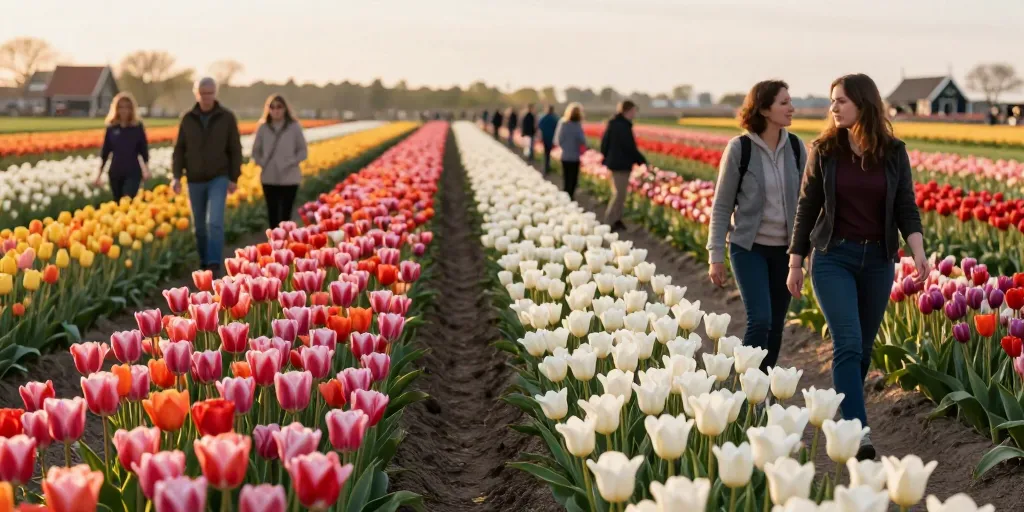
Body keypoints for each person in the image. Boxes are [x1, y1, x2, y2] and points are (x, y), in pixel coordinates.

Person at [787, 73, 928, 461]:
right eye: (832, 101)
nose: (833, 108)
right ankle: (858, 433)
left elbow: (905, 206)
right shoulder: (825, 150)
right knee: (847, 343)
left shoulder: (893, 152)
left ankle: (848, 409)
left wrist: (918, 251)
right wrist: (796, 261)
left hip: (879, 260)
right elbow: (807, 207)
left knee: (863, 350)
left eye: (841, 101)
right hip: (834, 257)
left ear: (863, 105)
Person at [706, 80, 806, 373]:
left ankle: (763, 388)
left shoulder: (798, 148)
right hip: (747, 247)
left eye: (790, 101)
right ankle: (748, 384)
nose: (792, 108)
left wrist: (803, 253)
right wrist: (715, 255)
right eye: (784, 103)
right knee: (760, 319)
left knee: (776, 324)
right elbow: (722, 205)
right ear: (763, 109)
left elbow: (805, 205)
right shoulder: (740, 149)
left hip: (785, 252)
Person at [171, 77, 243, 277]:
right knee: (200, 227)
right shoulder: (187, 118)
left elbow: (235, 148)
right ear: (197, 93)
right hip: (194, 178)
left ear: (215, 93)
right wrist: (176, 176)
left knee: (215, 222)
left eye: (210, 93)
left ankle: (213, 264)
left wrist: (234, 177)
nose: (206, 97)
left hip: (218, 177)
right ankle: (204, 262)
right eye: (203, 93)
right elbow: (179, 150)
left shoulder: (226, 117)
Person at [252, 94, 308, 229]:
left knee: (285, 214)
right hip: (269, 177)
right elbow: (255, 151)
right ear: (268, 109)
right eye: (272, 107)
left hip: (290, 177)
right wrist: (263, 163)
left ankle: (285, 245)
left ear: (285, 109)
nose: (276, 110)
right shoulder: (263, 128)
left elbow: (303, 151)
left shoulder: (294, 127)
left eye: (279, 107)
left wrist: (291, 162)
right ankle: (275, 245)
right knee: (272, 213)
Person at [599, 100, 647, 231]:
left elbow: (604, 145)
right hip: (620, 165)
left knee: (621, 194)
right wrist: (642, 161)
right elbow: (630, 147)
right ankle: (608, 222)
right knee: (619, 194)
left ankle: (617, 219)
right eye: (633, 111)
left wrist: (608, 157)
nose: (634, 114)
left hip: (616, 163)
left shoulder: (614, 124)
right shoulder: (623, 126)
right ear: (627, 111)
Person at [95, 92, 150, 201]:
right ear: (116, 109)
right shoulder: (112, 128)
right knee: (118, 204)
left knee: (127, 200)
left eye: (127, 107)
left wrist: (146, 170)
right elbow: (105, 152)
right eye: (121, 107)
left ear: (131, 109)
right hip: (115, 172)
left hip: (133, 172)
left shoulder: (137, 127)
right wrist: (99, 175)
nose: (124, 110)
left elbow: (143, 150)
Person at [554, 102, 587, 200]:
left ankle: (565, 196)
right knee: (573, 179)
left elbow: (558, 140)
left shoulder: (563, 124)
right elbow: (582, 140)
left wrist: (565, 146)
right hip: (575, 156)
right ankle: (571, 196)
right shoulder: (577, 125)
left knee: (566, 177)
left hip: (565, 155)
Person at [537, 105, 559, 173]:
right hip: (551, 138)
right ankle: (547, 166)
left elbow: (539, 126)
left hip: (545, 137)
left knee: (546, 153)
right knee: (548, 152)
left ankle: (546, 166)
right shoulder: (554, 118)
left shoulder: (544, 117)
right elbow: (558, 128)